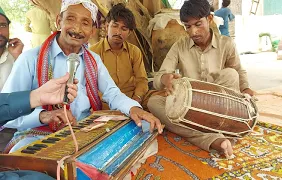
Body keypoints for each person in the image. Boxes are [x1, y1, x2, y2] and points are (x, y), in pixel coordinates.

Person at [1, 0, 162, 153]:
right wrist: (44, 116)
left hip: (83, 130)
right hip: (38, 133)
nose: (77, 29)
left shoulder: (93, 60)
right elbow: (7, 111)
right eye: (71, 19)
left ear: (92, 31)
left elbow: (112, 93)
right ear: (59, 21)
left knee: (134, 143)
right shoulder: (30, 59)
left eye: (85, 23)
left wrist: (134, 108)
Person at [147, 0, 253, 157]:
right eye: (187, 27)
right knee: (153, 103)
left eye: (198, 24)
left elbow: (239, 70)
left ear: (209, 19)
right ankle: (213, 138)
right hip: (190, 105)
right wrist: (164, 79)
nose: (193, 32)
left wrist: (246, 89)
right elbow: (161, 75)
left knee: (231, 74)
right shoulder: (180, 46)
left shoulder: (226, 43)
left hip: (219, 104)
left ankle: (219, 128)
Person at [0, 74, 77, 180]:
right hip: (33, 134)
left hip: (76, 128)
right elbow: (9, 122)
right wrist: (44, 115)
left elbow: (109, 91)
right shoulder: (28, 58)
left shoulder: (93, 59)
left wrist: (37, 96)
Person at [90, 4, 148, 108]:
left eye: (124, 28)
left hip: (132, 99)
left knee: (157, 101)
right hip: (105, 104)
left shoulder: (135, 52)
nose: (118, 32)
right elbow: (91, 86)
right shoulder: (93, 52)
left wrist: (136, 100)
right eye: (115, 26)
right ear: (107, 26)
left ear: (129, 32)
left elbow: (142, 80)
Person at [0, 6, 24, 91]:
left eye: (3, 25)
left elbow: (29, 89)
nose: (0, 32)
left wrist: (18, 57)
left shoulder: (15, 57)